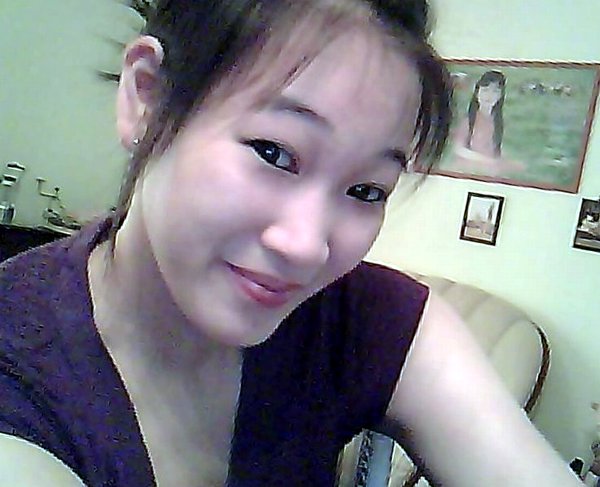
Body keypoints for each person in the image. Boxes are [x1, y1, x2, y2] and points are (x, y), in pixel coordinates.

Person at [0, 1, 583, 486]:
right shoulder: (18, 363)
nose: (307, 249)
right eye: (274, 152)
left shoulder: (366, 318)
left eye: (366, 190)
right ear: (147, 97)